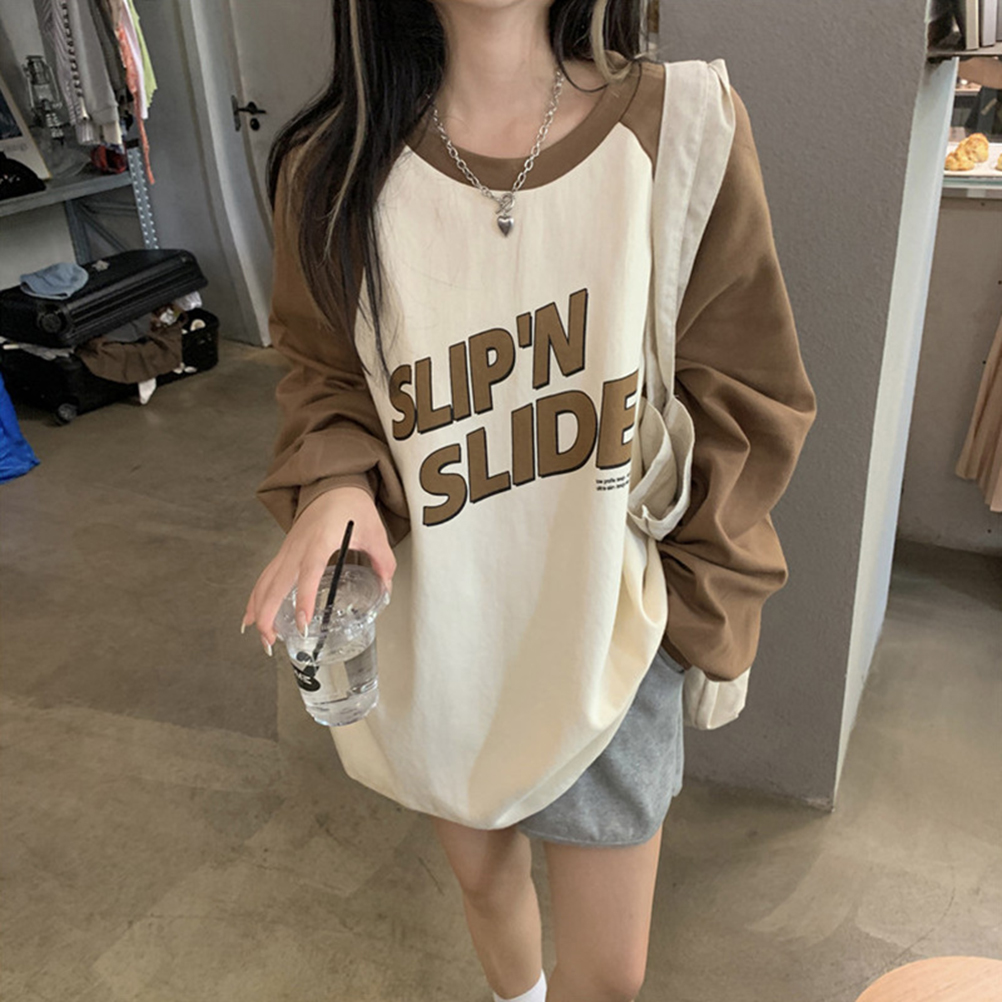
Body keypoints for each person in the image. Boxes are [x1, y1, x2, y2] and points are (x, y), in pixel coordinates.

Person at [242, 2, 817, 1000]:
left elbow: (745, 399)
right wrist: (334, 485)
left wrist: (693, 620)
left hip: (611, 629)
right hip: (441, 626)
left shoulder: (683, 128)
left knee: (610, 976)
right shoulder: (331, 170)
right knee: (485, 883)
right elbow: (323, 374)